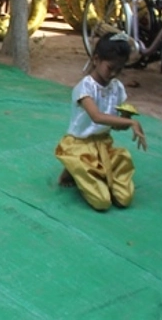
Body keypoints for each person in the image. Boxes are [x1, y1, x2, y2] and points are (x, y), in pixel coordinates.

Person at [55, 33, 147, 211]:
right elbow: (96, 117)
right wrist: (130, 124)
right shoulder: (85, 87)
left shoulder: (117, 87)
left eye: (119, 70)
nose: (113, 74)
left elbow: (114, 124)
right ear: (96, 60)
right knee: (102, 201)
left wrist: (126, 119)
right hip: (79, 144)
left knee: (124, 198)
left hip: (104, 144)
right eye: (110, 68)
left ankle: (86, 171)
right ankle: (73, 167)